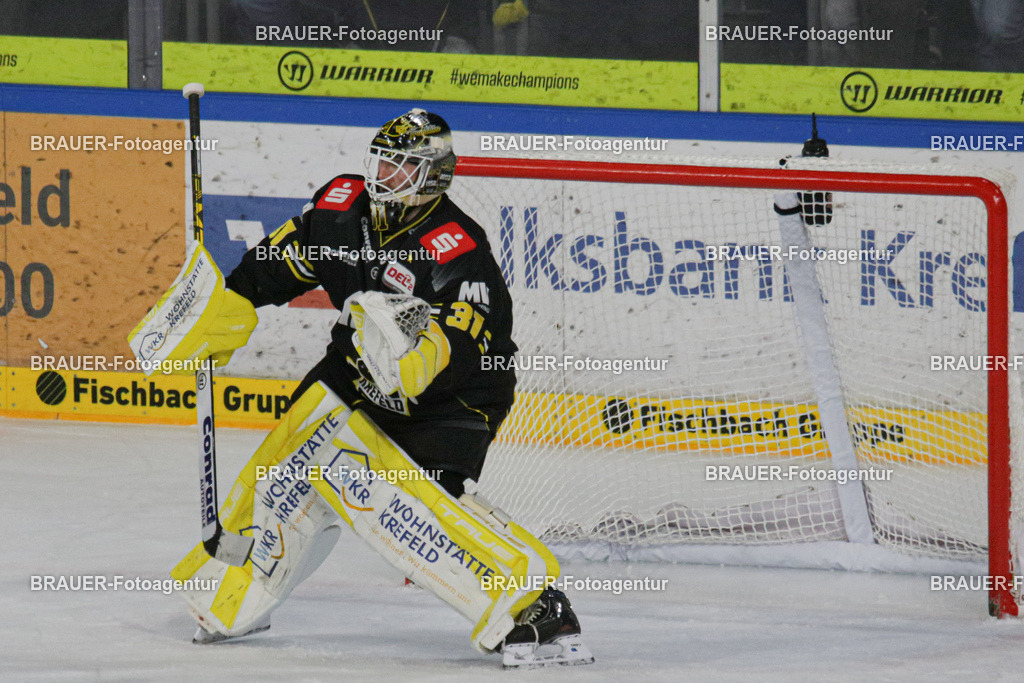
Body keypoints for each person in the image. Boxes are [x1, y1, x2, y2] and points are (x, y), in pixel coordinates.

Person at [129, 109, 592, 668]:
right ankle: (234, 593)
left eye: (399, 168)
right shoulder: (340, 210)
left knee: (384, 498)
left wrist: (422, 362)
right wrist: (223, 306)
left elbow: (472, 338)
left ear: (433, 177)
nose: (382, 176)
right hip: (353, 375)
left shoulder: (457, 248)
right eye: (380, 161)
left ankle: (533, 605)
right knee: (289, 468)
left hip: (449, 404)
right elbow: (280, 263)